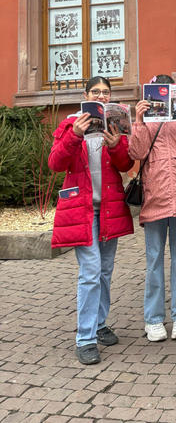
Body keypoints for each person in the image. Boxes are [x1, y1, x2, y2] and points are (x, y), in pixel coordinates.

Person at [49, 76, 133, 365]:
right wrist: (74, 135)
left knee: (105, 270)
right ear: (85, 95)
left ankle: (99, 324)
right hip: (82, 209)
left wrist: (116, 145)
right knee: (91, 270)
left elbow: (125, 165)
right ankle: (85, 338)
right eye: (95, 92)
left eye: (106, 93)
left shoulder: (114, 126)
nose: (101, 96)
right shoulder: (69, 125)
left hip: (109, 208)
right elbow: (55, 164)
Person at [129, 74, 176, 343]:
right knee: (154, 260)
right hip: (154, 194)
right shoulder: (147, 119)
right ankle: (154, 319)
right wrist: (138, 121)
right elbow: (136, 153)